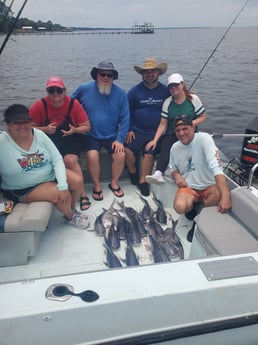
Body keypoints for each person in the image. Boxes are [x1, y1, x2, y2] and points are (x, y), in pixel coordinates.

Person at [0, 104, 90, 229]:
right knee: (58, 193)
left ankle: (71, 209)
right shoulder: (2, 142)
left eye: (26, 121)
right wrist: (62, 189)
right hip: (23, 188)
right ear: (8, 124)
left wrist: (63, 185)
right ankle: (70, 216)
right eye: (16, 122)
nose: (22, 126)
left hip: (48, 175)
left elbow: (57, 159)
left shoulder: (39, 134)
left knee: (77, 181)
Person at [29, 76, 91, 211]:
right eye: (52, 90)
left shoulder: (73, 104)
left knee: (70, 160)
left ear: (65, 91)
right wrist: (44, 129)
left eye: (59, 90)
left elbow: (86, 126)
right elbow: (28, 128)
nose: (55, 94)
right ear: (47, 91)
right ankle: (53, 189)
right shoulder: (40, 105)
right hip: (48, 140)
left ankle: (82, 193)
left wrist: (74, 130)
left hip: (70, 138)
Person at [71, 61, 129, 200]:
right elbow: (69, 104)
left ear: (113, 77)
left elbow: (126, 118)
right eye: (102, 74)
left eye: (109, 75)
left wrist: (120, 139)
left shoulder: (121, 94)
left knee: (120, 155)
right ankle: (97, 185)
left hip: (112, 135)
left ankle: (114, 183)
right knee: (92, 156)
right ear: (96, 75)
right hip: (90, 134)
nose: (106, 77)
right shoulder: (83, 89)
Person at [169, 114, 232, 242]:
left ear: (193, 127)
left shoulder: (204, 139)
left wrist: (226, 197)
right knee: (180, 207)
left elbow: (217, 168)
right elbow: (172, 168)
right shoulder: (175, 147)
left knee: (218, 194)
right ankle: (193, 208)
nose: (181, 133)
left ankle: (198, 222)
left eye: (185, 128)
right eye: (178, 130)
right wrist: (176, 175)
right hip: (189, 187)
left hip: (209, 187)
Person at [146, 73, 206, 185]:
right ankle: (158, 173)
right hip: (172, 133)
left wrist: (192, 123)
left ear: (182, 84)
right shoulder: (168, 102)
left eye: (176, 85)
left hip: (190, 133)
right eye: (171, 86)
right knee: (166, 147)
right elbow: (163, 124)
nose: (173, 88)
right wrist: (155, 140)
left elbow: (203, 117)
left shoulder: (193, 99)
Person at [125, 57, 170, 196]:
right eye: (146, 72)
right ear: (142, 74)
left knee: (149, 155)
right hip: (137, 131)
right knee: (126, 150)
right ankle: (132, 171)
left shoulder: (165, 91)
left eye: (153, 72)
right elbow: (127, 111)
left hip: (156, 133)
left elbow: (176, 101)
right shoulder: (134, 91)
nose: (150, 74)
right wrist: (130, 129)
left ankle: (142, 181)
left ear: (158, 73)